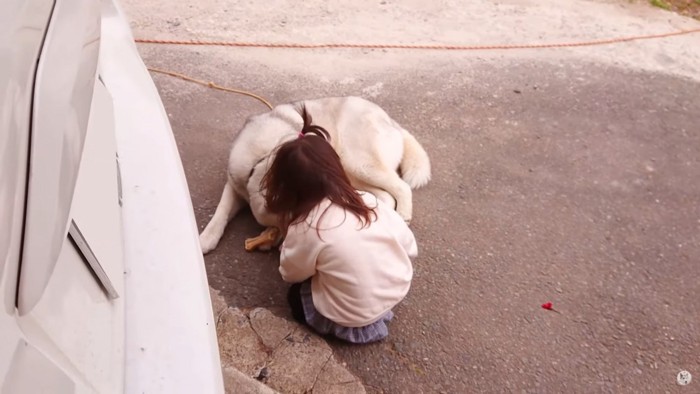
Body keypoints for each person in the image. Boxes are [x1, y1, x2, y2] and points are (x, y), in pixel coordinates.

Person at [261, 106, 418, 344]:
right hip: (393, 293)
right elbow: (409, 246)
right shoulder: (368, 200)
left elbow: (291, 273)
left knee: (295, 296)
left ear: (288, 189)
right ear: (335, 168)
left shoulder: (306, 227)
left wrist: (289, 250)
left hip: (349, 317)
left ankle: (341, 324)